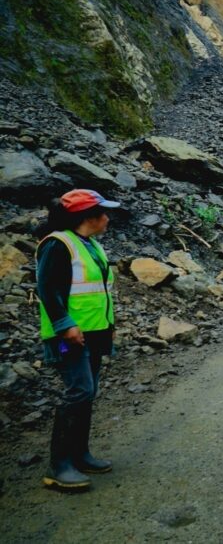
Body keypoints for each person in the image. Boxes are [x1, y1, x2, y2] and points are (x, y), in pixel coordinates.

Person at [35, 188, 122, 491]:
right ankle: (58, 467)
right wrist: (64, 324)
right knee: (79, 390)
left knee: (89, 390)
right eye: (103, 213)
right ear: (88, 217)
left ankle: (80, 455)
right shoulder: (59, 244)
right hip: (68, 336)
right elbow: (47, 288)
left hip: (94, 332)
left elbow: (98, 291)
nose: (108, 218)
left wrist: (109, 324)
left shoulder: (91, 245)